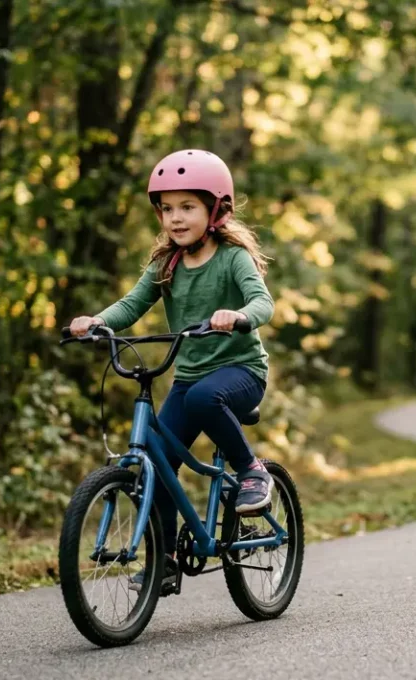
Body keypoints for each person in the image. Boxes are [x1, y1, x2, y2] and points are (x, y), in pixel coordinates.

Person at [68, 149, 274, 593]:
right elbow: (131, 305)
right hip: (190, 377)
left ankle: (252, 470)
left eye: (187, 207)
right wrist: (97, 321)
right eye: (166, 209)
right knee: (158, 463)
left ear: (215, 209)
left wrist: (237, 316)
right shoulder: (166, 265)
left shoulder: (232, 258)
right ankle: (165, 561)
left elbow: (263, 302)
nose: (175, 218)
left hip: (241, 370)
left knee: (204, 398)